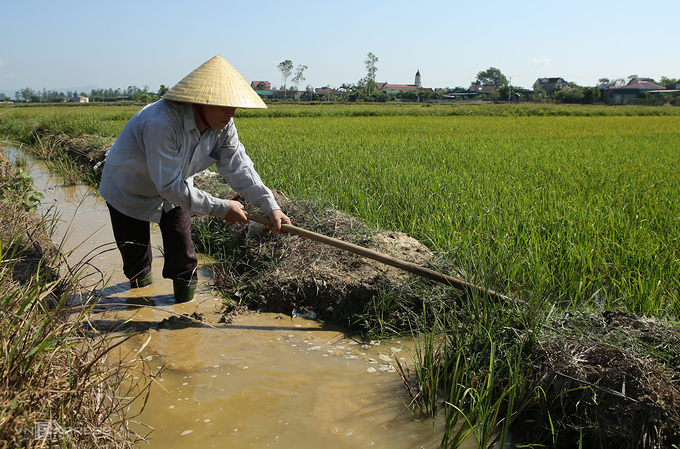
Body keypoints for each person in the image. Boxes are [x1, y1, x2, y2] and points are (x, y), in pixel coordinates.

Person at [99, 55, 291, 303]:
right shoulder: (161, 121)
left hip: (176, 189)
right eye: (225, 105)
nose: (232, 113)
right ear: (201, 101)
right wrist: (222, 208)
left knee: (184, 255)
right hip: (128, 189)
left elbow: (239, 166)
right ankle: (138, 306)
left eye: (235, 106)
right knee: (136, 260)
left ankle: (185, 315)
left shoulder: (223, 125)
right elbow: (167, 184)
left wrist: (271, 206)